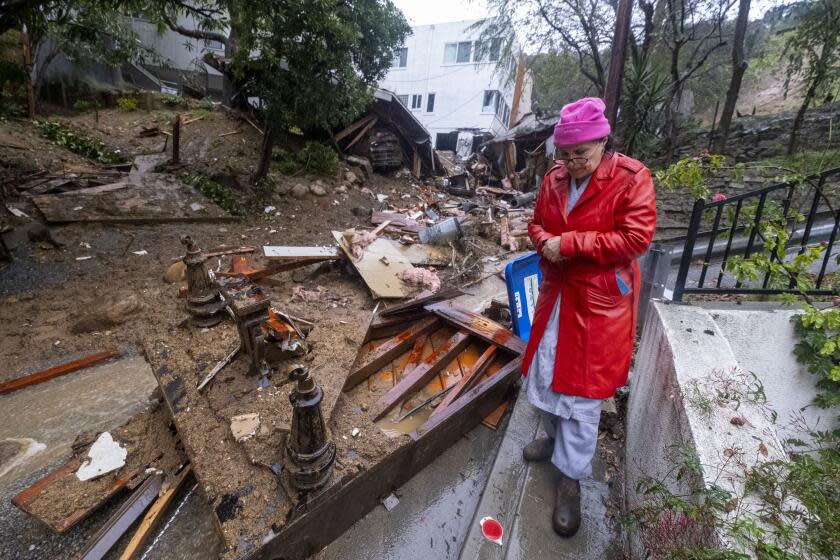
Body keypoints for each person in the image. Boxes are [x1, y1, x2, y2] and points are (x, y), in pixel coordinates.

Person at [522, 97, 656, 537]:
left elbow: (635, 238)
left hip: (598, 303)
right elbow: (537, 224)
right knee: (543, 376)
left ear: (603, 141)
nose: (573, 162)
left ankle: (571, 478)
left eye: (582, 153)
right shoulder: (554, 179)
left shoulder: (631, 178)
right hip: (557, 293)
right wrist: (544, 242)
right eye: (566, 154)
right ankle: (555, 442)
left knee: (581, 395)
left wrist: (571, 244)